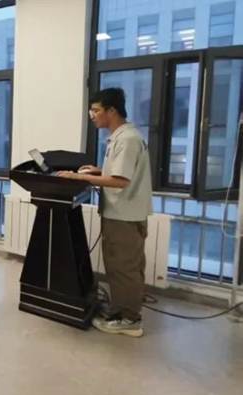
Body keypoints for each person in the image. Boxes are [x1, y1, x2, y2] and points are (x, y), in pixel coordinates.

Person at [57, 87, 152, 338]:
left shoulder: (127, 139)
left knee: (124, 268)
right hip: (122, 213)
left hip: (124, 216)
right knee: (123, 266)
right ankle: (122, 309)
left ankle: (129, 320)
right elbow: (120, 172)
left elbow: (121, 181)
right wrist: (98, 171)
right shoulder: (121, 136)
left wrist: (77, 177)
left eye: (96, 110)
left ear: (112, 111)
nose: (92, 115)